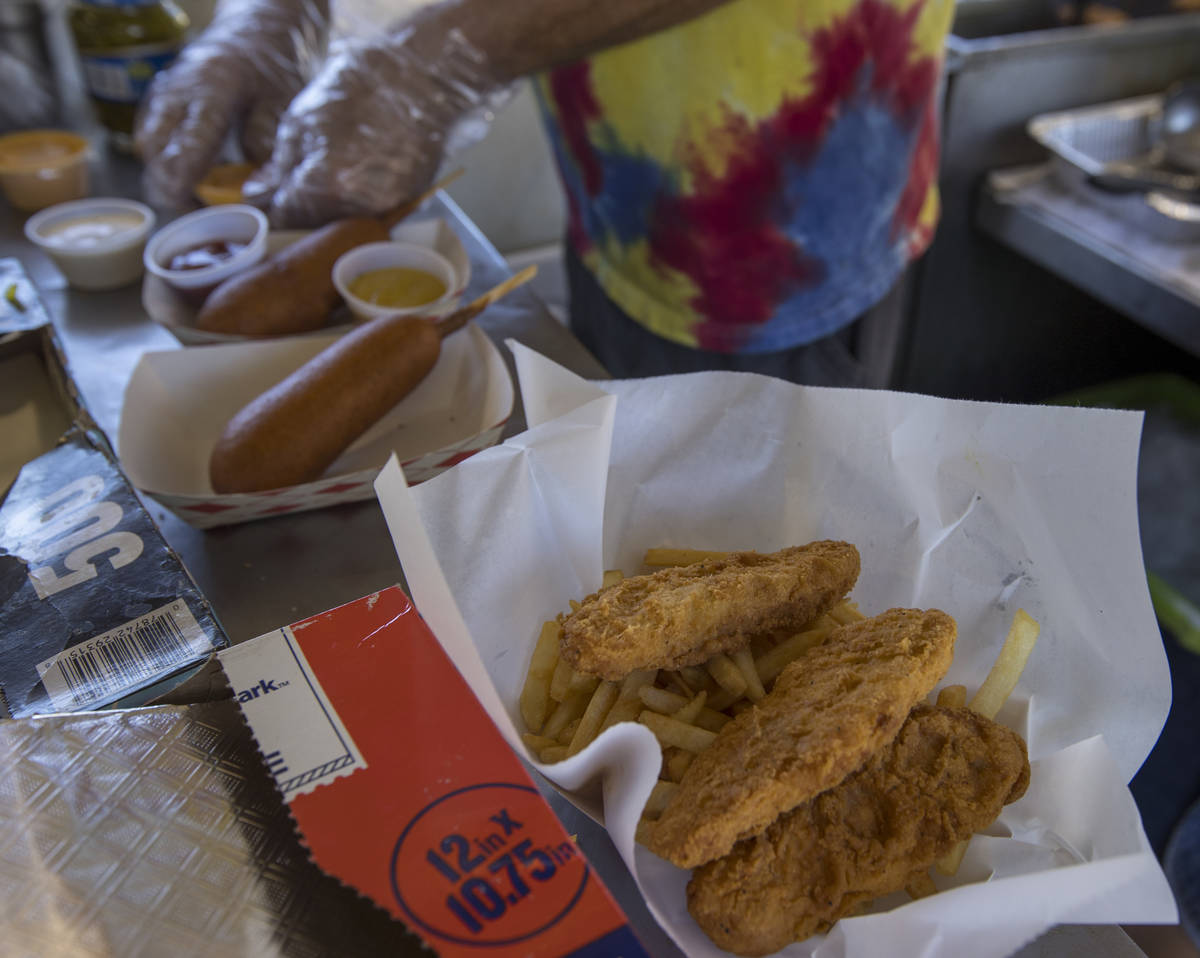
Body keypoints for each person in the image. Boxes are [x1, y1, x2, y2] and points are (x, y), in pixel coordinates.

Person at [136, 0, 954, 387]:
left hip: (782, 218)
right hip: (622, 186)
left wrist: (435, 58)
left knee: (760, 561)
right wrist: (276, 10)